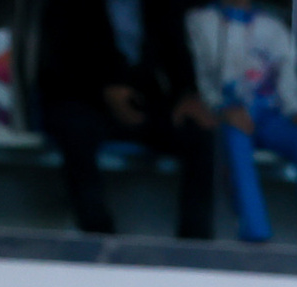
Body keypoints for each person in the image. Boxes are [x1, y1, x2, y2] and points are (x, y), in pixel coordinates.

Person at [35, 0, 219, 240]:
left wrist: (187, 94)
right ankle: (97, 234)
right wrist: (105, 90)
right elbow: (56, 64)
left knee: (199, 133)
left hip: (140, 101)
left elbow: (175, 51)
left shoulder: (160, 5)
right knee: (74, 129)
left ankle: (194, 242)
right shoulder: (67, 6)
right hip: (84, 98)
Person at [187, 1, 297, 247]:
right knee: (235, 137)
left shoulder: (272, 26)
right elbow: (202, 78)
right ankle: (255, 234)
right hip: (228, 113)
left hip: (269, 115)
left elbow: (287, 83)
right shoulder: (201, 21)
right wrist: (221, 108)